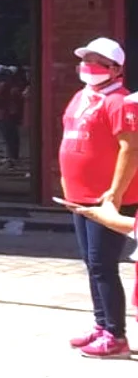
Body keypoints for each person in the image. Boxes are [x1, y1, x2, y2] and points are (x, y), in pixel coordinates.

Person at [59, 38, 138, 359]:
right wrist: (66, 180)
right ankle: (100, 324)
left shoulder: (121, 102)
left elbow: (130, 148)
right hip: (80, 196)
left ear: (116, 69)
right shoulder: (82, 97)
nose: (88, 67)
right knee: (92, 264)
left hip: (107, 200)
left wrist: (115, 194)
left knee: (103, 265)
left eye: (97, 62)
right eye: (86, 60)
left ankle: (115, 335)